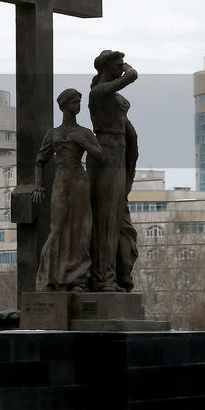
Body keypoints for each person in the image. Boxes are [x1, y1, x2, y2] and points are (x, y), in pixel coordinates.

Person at [32, 89, 103, 292]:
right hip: (61, 181)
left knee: (81, 229)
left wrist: (85, 144)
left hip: (79, 182)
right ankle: (50, 276)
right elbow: (40, 160)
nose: (78, 105)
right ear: (64, 105)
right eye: (74, 101)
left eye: (79, 101)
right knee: (59, 227)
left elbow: (100, 156)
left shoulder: (84, 132)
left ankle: (77, 279)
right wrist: (38, 185)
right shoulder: (54, 133)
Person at [88, 50, 139, 292]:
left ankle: (120, 275)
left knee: (120, 221)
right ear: (107, 66)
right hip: (106, 155)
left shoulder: (111, 94)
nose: (123, 65)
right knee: (106, 220)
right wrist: (128, 69)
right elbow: (132, 76)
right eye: (118, 62)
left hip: (119, 155)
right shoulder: (98, 92)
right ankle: (103, 278)